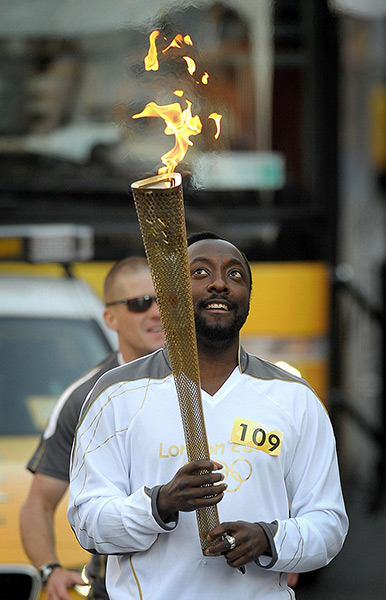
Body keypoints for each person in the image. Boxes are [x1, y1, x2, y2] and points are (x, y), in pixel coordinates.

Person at [68, 232, 348, 600]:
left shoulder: (295, 398)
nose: (220, 283)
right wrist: (160, 503)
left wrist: (269, 538)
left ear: (248, 298)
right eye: (200, 273)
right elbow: (88, 523)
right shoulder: (116, 394)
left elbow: (328, 525)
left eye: (235, 275)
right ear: (173, 293)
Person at [20, 257, 165, 600]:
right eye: (140, 303)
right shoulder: (85, 398)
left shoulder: (210, 379)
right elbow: (38, 503)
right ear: (110, 318)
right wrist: (50, 569)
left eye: (165, 300)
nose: (156, 312)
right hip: (116, 590)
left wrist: (279, 543)